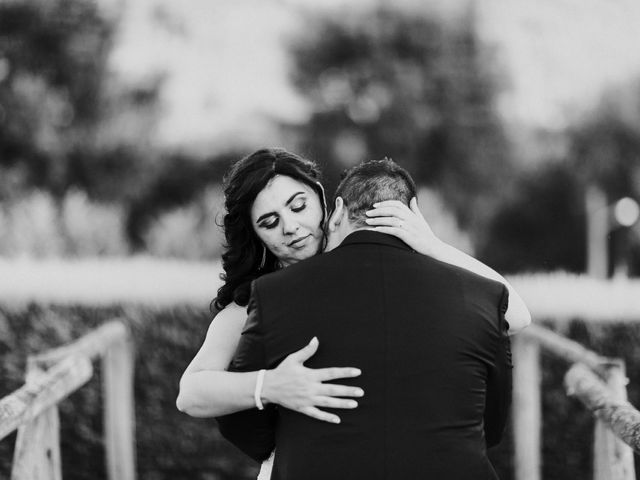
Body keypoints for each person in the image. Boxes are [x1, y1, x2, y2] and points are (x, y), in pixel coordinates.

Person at [176, 148, 530, 478]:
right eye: (270, 222)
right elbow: (191, 392)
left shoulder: (387, 269)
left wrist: (432, 246)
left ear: (321, 196)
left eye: (298, 206)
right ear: (256, 235)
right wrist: (270, 386)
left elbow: (514, 313)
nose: (290, 227)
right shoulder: (254, 300)